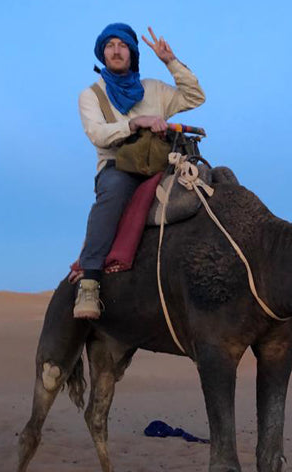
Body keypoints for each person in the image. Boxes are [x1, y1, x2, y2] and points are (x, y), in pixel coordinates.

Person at [74, 23, 205, 319]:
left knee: (206, 187)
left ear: (132, 54)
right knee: (113, 195)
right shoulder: (92, 95)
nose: (116, 50)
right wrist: (134, 123)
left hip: (163, 163)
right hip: (118, 167)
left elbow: (195, 97)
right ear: (102, 53)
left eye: (122, 45)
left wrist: (170, 61)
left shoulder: (154, 89)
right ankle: (90, 282)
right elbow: (97, 134)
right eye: (110, 45)